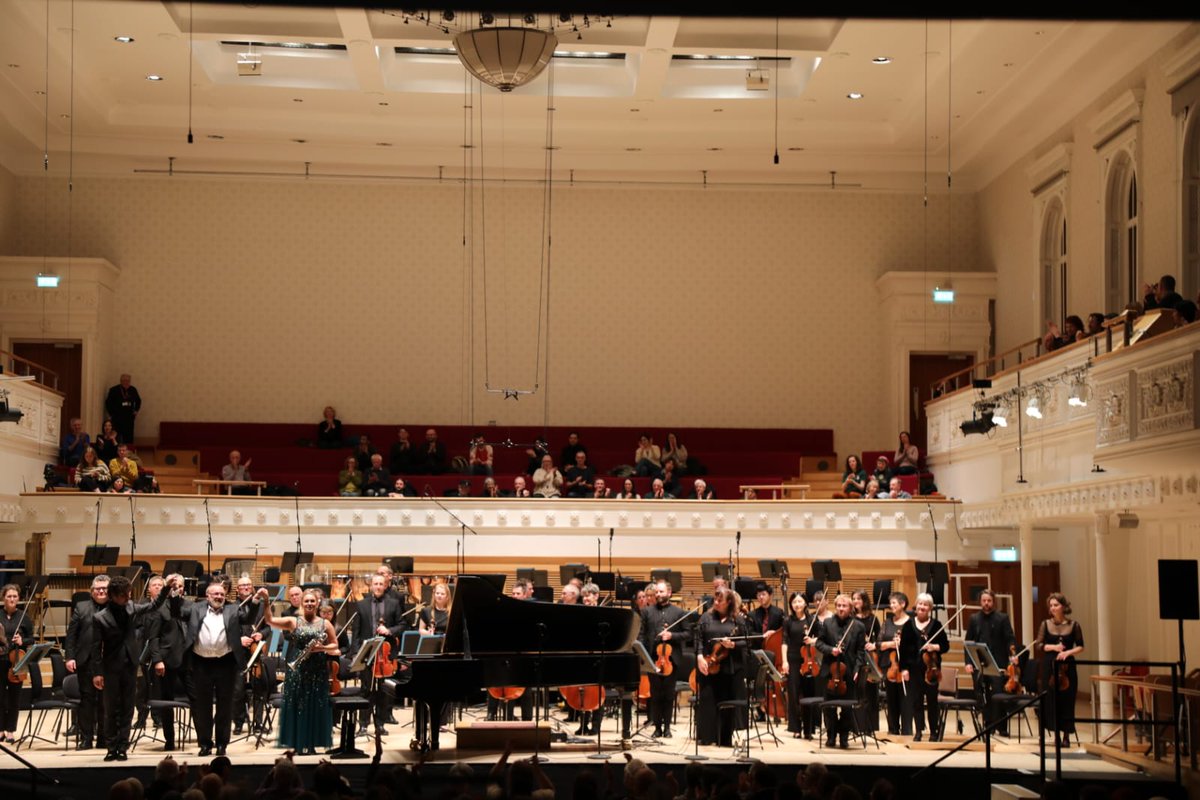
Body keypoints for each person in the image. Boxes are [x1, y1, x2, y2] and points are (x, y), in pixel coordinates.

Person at [91, 574, 174, 761]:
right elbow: (96, 647)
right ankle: (111, 747)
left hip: (130, 665)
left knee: (128, 708)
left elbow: (153, 605)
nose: (128, 597)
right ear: (113, 595)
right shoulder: (100, 618)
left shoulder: (132, 608)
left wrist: (166, 588)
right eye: (124, 594)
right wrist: (97, 673)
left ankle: (123, 747)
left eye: (129, 593)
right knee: (111, 709)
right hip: (110, 667)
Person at [257, 587, 338, 755]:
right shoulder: (293, 622)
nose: (309, 603)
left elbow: (335, 645)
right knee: (299, 706)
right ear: (302, 603)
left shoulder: (325, 623)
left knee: (315, 706)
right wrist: (265, 602)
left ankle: (313, 744)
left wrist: (321, 647)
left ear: (317, 604)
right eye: (306, 601)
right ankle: (299, 743)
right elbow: (270, 620)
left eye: (312, 601)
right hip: (297, 671)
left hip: (317, 671)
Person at [183, 581, 249, 756]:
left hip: (226, 663)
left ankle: (222, 744)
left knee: (224, 707)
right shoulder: (195, 608)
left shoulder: (232, 609)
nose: (219, 597)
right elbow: (178, 612)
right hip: (201, 663)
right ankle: (205, 744)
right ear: (208, 596)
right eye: (215, 594)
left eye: (222, 594)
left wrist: (256, 602)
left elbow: (248, 618)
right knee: (202, 706)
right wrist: (173, 594)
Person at [355, 575, 410, 735]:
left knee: (382, 692)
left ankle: (380, 724)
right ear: (371, 586)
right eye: (375, 584)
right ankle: (363, 725)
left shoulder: (393, 604)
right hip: (367, 652)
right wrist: (355, 654)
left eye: (381, 584)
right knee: (366, 689)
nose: (378, 586)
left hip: (385, 654)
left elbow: (403, 624)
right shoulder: (361, 604)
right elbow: (357, 631)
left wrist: (389, 631)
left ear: (385, 586)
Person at [809, 593, 865, 748]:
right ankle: (831, 735)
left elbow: (861, 651)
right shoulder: (827, 623)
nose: (841, 609)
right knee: (829, 707)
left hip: (849, 672)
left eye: (844, 606)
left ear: (850, 608)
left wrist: (857, 668)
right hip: (829, 672)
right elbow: (819, 643)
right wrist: (830, 650)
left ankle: (844, 737)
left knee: (847, 707)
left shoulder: (858, 626)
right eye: (839, 606)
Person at [695, 588, 748, 746]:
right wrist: (699, 657)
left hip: (729, 668)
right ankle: (706, 737)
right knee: (707, 702)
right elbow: (698, 639)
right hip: (708, 665)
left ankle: (724, 739)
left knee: (726, 704)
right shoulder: (706, 617)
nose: (715, 603)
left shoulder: (737, 619)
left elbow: (746, 641)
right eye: (715, 600)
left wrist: (733, 644)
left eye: (720, 601)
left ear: (729, 602)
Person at [145, 572, 190, 751]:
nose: (176, 589)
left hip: (188, 660)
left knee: (199, 699)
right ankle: (169, 740)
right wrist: (157, 660)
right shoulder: (159, 608)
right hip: (167, 661)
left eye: (179, 586)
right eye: (172, 586)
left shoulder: (190, 606)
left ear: (183, 588)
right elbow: (153, 637)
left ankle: (204, 740)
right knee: (166, 702)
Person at [1034, 592, 1084, 749]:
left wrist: (1067, 652)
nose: (1053, 608)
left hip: (1067, 666)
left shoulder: (1074, 625)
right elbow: (1039, 645)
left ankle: (1066, 736)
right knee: (1051, 700)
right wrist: (1054, 647)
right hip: (1049, 665)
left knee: (1067, 700)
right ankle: (1055, 734)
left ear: (1063, 606)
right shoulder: (1045, 624)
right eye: (1051, 605)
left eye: (1056, 605)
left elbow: (1081, 646)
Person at [964, 588, 1017, 737]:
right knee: (983, 694)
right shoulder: (974, 618)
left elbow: (1010, 639)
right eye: (984, 601)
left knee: (998, 694)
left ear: (993, 602)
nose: (986, 603)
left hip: (998, 662)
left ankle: (1002, 726)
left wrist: (1012, 654)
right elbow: (969, 641)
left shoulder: (1002, 618)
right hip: (980, 662)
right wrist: (968, 662)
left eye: (989, 601)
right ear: (980, 602)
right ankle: (988, 724)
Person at [65, 574, 109, 750]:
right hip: (86, 661)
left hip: (108, 662)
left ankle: (103, 739)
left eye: (104, 588)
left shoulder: (115, 608)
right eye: (97, 588)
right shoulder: (81, 607)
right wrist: (70, 657)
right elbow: (71, 635)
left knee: (105, 702)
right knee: (87, 701)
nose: (101, 591)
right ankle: (86, 738)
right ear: (91, 591)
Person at [899, 592, 950, 742]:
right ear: (916, 606)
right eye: (920, 604)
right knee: (916, 701)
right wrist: (904, 669)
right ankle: (919, 731)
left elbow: (946, 646)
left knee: (932, 701)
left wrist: (935, 646)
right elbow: (903, 649)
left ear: (930, 608)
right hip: (914, 669)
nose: (922, 607)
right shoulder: (908, 625)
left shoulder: (937, 625)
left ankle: (934, 731)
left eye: (925, 605)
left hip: (932, 669)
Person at [640, 580, 686, 738]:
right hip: (653, 658)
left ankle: (667, 728)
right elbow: (642, 634)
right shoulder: (647, 612)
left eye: (661, 592)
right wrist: (644, 655)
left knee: (668, 695)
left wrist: (672, 635)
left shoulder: (679, 613)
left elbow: (688, 634)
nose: (658, 594)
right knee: (655, 695)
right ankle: (657, 727)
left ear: (669, 593)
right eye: (657, 592)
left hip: (671, 661)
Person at [779, 591, 820, 740]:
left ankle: (808, 729)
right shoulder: (788, 621)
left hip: (809, 660)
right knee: (794, 694)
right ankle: (796, 728)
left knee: (808, 694)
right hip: (793, 660)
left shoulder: (812, 620)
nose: (797, 604)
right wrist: (784, 661)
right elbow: (784, 642)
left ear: (805, 603)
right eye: (794, 602)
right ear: (791, 604)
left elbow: (821, 639)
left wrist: (813, 641)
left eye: (800, 601)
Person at [873, 592, 911, 736]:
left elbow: (915, 644)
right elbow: (878, 643)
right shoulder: (887, 622)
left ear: (903, 604)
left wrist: (903, 644)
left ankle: (907, 730)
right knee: (892, 699)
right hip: (890, 665)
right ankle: (893, 729)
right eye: (891, 603)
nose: (891, 606)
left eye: (894, 603)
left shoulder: (911, 623)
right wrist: (891, 644)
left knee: (905, 699)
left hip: (906, 666)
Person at [0, 584, 34, 744]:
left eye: (14, 596)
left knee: (14, 697)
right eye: (9, 596)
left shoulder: (24, 617)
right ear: (3, 598)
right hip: (0, 660)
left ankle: (11, 731)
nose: (12, 599)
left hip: (17, 662)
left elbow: (32, 639)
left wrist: (22, 640)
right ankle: (0, 729)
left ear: (18, 599)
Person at [104, 373, 142, 445]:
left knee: (129, 436)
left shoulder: (133, 389)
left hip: (129, 417)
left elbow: (138, 401)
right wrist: (111, 414)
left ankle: (129, 452)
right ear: (120, 381)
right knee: (117, 435)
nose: (126, 382)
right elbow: (108, 403)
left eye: (128, 380)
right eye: (124, 380)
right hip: (117, 417)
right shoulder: (114, 390)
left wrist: (136, 410)